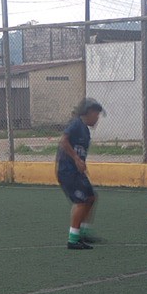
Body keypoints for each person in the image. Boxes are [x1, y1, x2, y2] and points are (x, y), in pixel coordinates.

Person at [57, 98, 102, 250]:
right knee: (81, 201)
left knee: (91, 197)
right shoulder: (76, 123)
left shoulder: (86, 130)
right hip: (67, 171)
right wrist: (76, 159)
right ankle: (73, 239)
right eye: (96, 114)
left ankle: (83, 232)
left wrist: (81, 163)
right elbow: (64, 141)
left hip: (76, 171)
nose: (97, 118)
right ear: (88, 112)